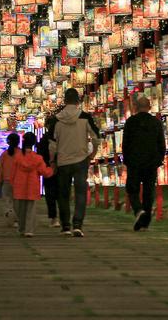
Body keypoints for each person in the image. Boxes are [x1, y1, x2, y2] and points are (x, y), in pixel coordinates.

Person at [50, 88, 100, 237]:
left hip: (63, 161)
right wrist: (92, 154)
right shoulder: (85, 117)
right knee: (80, 193)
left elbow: (52, 144)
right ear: (78, 101)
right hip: (81, 160)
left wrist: (53, 160)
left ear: (64, 101)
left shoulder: (56, 119)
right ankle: (77, 225)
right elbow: (96, 137)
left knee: (63, 194)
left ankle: (65, 226)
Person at [122, 95, 166, 231]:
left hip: (134, 161)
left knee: (132, 189)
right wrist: (159, 160)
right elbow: (161, 144)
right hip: (151, 162)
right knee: (148, 191)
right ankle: (145, 222)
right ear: (150, 107)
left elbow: (126, 144)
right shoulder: (156, 122)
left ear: (135, 107)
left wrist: (127, 160)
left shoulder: (130, 122)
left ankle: (138, 211)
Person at [11, 132, 54, 237]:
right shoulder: (37, 158)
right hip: (32, 186)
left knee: (20, 209)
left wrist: (12, 183)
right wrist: (52, 169)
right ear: (34, 143)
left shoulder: (17, 157)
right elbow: (45, 172)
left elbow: (12, 172)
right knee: (31, 209)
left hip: (19, 185)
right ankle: (29, 230)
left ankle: (21, 228)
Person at [36, 116, 60, 228]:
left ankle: (54, 217)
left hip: (48, 170)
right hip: (60, 169)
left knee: (51, 194)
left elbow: (40, 155)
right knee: (59, 194)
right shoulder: (62, 138)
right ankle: (59, 218)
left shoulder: (44, 139)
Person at [0, 133, 21, 227]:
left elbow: (0, 168)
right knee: (17, 201)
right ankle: (17, 220)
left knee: (7, 199)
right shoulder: (21, 153)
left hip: (6, 181)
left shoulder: (4, 154)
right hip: (18, 181)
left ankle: (9, 214)